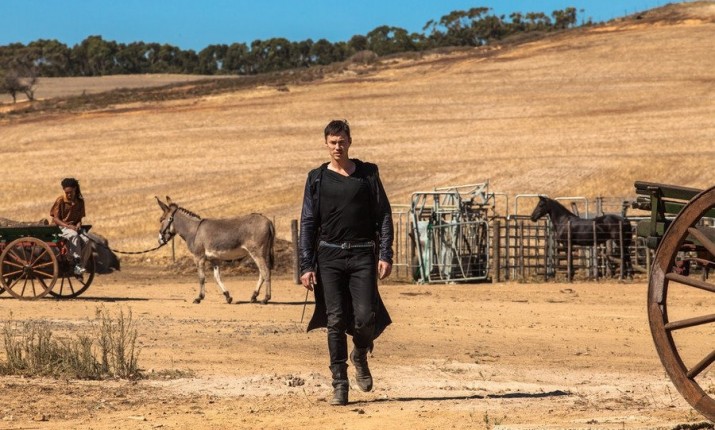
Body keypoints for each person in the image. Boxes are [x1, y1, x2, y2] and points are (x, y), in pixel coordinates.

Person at [299, 119, 394, 406]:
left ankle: (360, 352)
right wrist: (306, 265)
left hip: (363, 254)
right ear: (326, 144)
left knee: (365, 317)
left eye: (342, 141)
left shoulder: (367, 174)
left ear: (350, 142)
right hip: (329, 256)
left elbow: (384, 214)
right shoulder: (316, 178)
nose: (337, 147)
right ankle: (339, 383)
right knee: (335, 320)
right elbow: (308, 222)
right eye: (333, 142)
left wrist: (385, 253)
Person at [50, 177, 88, 276]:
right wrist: (68, 226)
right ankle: (76, 262)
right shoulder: (60, 200)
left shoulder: (80, 202)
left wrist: (78, 225)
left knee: (87, 240)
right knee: (73, 235)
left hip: (73, 228)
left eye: (70, 192)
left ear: (75, 189)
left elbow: (79, 219)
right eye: (67, 193)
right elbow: (56, 219)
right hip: (60, 227)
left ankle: (80, 265)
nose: (69, 195)